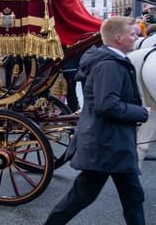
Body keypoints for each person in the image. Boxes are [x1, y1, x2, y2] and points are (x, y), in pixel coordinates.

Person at [44, 16, 151, 225]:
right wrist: (141, 113)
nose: (136, 37)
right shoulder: (109, 66)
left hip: (113, 144)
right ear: (118, 38)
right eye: (132, 34)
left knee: (133, 198)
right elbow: (107, 105)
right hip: (107, 145)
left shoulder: (112, 61)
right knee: (82, 197)